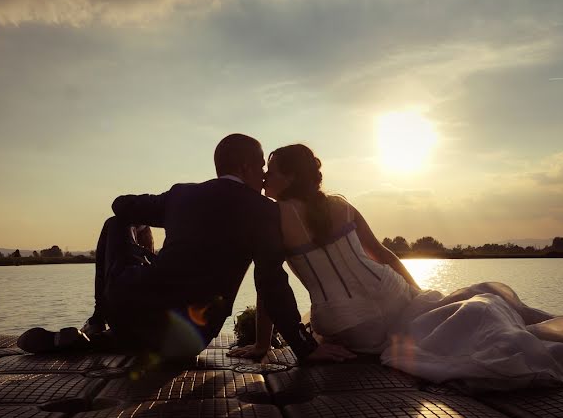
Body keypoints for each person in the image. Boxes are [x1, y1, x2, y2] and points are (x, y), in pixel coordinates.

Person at [228, 144, 563, 391]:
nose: (264, 178)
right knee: (482, 308)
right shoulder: (341, 205)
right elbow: (385, 258)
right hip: (392, 295)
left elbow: (268, 284)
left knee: (474, 317)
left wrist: (265, 345)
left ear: (287, 177)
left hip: (347, 325)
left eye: (270, 171)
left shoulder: (271, 217)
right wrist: (416, 298)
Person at [18, 134, 355, 364]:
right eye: (262, 169)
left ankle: (98, 322)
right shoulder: (264, 210)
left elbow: (120, 204)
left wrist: (144, 226)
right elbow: (271, 281)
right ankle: (105, 334)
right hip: (192, 336)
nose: (265, 177)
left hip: (130, 311)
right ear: (246, 168)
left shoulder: (182, 195)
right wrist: (304, 347)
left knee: (115, 222)